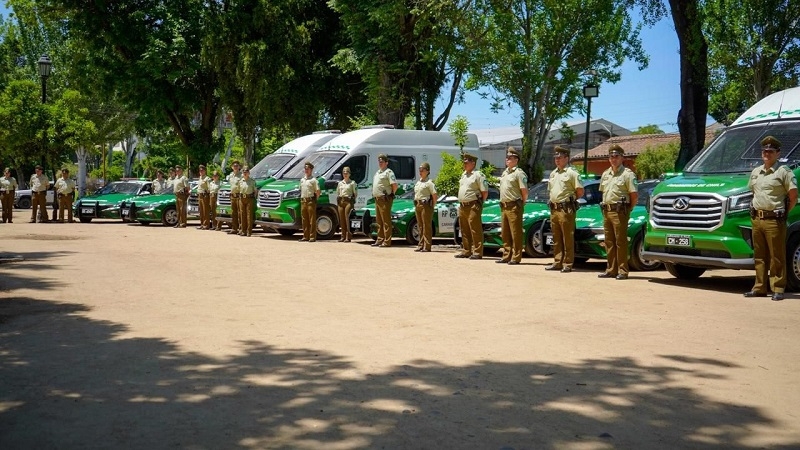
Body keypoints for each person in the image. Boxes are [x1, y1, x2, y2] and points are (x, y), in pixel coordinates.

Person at [744, 136, 798, 301]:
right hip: (757, 219)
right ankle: (759, 287)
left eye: (770, 151)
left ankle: (778, 288)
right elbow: (754, 192)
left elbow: (793, 195)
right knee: (759, 255)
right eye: (764, 151)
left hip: (775, 220)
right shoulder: (756, 172)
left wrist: (783, 212)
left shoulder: (783, 172)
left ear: (777, 153)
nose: (767, 153)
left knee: (776, 255)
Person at [597, 144, 638, 280]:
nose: (613, 159)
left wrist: (628, 209)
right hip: (607, 211)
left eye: (616, 156)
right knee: (609, 241)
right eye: (611, 156)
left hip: (620, 211)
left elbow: (634, 196)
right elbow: (603, 192)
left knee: (621, 242)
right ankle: (611, 269)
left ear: (622, 158)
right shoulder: (605, 174)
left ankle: (622, 270)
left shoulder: (627, 174)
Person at [545, 146, 584, 272]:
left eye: (560, 157)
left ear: (566, 158)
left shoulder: (572, 173)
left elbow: (580, 191)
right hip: (554, 209)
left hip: (565, 209)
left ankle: (567, 263)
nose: (557, 160)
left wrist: (569, 200)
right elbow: (551, 191)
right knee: (556, 237)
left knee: (567, 237)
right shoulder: (553, 173)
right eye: (555, 157)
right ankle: (557, 261)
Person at [497, 147, 528, 264]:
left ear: (516, 159)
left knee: (516, 232)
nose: (507, 160)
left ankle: (516, 256)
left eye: (510, 158)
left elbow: (524, 191)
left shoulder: (519, 173)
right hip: (504, 206)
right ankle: (506, 255)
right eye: (507, 158)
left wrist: (521, 203)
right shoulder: (505, 173)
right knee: (505, 232)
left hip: (514, 206)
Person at [455, 153, 488, 259]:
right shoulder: (464, 174)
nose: (464, 164)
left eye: (466, 162)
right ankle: (466, 250)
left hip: (473, 205)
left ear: (473, 163)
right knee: (464, 229)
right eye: (464, 162)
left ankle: (478, 252)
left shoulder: (478, 175)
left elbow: (484, 191)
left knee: (475, 228)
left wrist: (479, 203)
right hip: (463, 206)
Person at [372, 153, 398, 247]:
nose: (380, 163)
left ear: (386, 162)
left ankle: (387, 241)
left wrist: (391, 195)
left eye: (382, 161)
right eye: (379, 161)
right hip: (377, 199)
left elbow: (394, 185)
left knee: (386, 220)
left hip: (384, 199)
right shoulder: (378, 172)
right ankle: (380, 239)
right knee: (379, 221)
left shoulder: (389, 172)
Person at [413, 162, 437, 252]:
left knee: (426, 226)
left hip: (426, 205)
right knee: (420, 226)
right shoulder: (418, 182)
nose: (420, 171)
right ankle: (421, 244)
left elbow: (434, 195)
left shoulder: (429, 183)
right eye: (419, 170)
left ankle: (427, 246)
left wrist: (431, 206)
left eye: (422, 170)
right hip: (418, 204)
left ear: (427, 171)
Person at [299, 162, 320, 242]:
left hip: (310, 201)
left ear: (311, 170)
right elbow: (300, 190)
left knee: (312, 220)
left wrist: (315, 200)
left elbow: (318, 191)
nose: (306, 170)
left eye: (308, 169)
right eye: (305, 169)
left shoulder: (314, 180)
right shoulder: (302, 180)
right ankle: (305, 236)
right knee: (304, 220)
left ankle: (312, 236)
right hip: (303, 201)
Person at [336, 166, 358, 242]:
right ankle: (342, 236)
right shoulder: (340, 183)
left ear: (349, 174)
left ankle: (348, 236)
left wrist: (352, 201)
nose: (345, 174)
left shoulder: (352, 183)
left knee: (347, 218)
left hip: (348, 201)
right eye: (344, 173)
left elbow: (355, 194)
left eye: (347, 173)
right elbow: (338, 193)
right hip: (341, 201)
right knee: (341, 219)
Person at [238, 167, 257, 237]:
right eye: (244, 172)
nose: (245, 173)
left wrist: (254, 198)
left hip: (249, 199)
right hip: (242, 199)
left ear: (249, 173)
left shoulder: (252, 181)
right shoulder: (240, 181)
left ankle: (249, 231)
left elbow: (255, 191)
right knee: (242, 215)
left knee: (249, 215)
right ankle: (243, 231)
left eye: (246, 172)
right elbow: (239, 190)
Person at [226, 161, 243, 234]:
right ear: (232, 167)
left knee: (240, 213)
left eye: (237, 166)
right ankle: (234, 228)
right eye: (234, 166)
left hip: (239, 195)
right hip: (232, 196)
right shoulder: (230, 175)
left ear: (239, 167)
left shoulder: (241, 175)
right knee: (234, 213)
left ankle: (241, 228)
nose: (235, 167)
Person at [195, 165, 211, 230]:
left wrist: (207, 193)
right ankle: (202, 224)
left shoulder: (207, 179)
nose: (201, 171)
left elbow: (210, 188)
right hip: (200, 195)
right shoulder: (200, 178)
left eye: (202, 170)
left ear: (205, 171)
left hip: (205, 196)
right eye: (200, 170)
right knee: (201, 211)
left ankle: (206, 224)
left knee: (205, 211)